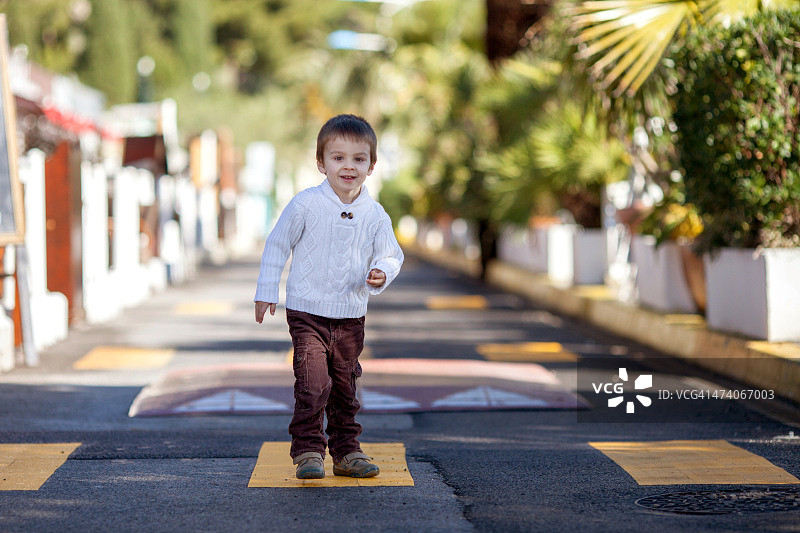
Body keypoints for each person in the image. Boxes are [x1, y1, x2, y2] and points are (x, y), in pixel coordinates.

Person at [254, 114, 404, 480]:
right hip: (307, 311)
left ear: (371, 165)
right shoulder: (306, 204)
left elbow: (392, 254)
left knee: (344, 386)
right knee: (313, 382)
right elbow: (277, 245)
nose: (348, 166)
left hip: (351, 315)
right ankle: (308, 450)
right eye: (338, 158)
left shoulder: (376, 215)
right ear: (321, 162)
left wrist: (382, 271)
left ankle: (346, 451)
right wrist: (266, 291)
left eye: (358, 159)